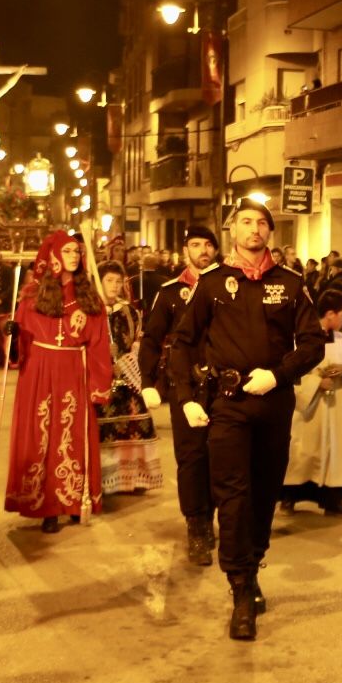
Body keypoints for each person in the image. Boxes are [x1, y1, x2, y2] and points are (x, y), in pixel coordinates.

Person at [167, 198, 323, 641]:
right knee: (232, 494)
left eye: (263, 223)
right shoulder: (214, 282)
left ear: (271, 232)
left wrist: (278, 374)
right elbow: (182, 342)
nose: (255, 229)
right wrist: (185, 398)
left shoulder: (291, 284)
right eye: (247, 222)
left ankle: (252, 564)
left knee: (264, 492)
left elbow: (312, 343)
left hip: (273, 404)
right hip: (227, 405)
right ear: (232, 230)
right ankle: (239, 588)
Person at [2, 232, 112, 533]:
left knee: (72, 436)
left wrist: (100, 385)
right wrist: (12, 334)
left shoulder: (89, 297)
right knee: (43, 436)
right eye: (67, 251)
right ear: (52, 256)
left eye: (77, 251)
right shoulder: (32, 295)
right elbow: (18, 349)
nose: (74, 256)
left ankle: (75, 499)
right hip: (38, 373)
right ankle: (47, 506)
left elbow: (100, 344)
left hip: (74, 371)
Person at [139, 226, 221, 565]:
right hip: (183, 386)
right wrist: (147, 381)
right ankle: (197, 524)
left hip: (222, 386)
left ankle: (216, 517)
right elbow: (151, 338)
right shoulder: (171, 293)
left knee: (221, 457)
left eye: (208, 245)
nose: (202, 250)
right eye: (195, 245)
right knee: (191, 459)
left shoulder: (227, 287)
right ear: (185, 249)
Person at [281, 290, 342, 516]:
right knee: (302, 453)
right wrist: (316, 383)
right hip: (309, 410)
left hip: (335, 410)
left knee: (334, 454)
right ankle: (289, 496)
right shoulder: (301, 339)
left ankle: (333, 501)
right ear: (330, 314)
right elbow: (290, 371)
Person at [95, 262, 161, 499]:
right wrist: (102, 355)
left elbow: (138, 341)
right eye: (109, 281)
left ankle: (133, 478)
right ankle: (104, 480)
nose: (114, 286)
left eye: (117, 281)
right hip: (101, 382)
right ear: (99, 282)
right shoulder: (93, 312)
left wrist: (126, 359)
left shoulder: (130, 312)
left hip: (128, 378)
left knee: (136, 427)